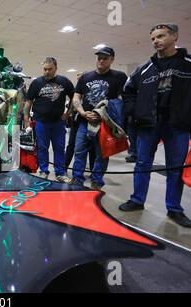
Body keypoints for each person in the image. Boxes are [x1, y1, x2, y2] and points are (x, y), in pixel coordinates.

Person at [120, 23, 191, 228]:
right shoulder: (144, 68)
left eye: (160, 36)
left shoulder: (187, 63)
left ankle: (174, 209)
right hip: (149, 123)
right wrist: (134, 111)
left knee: (175, 167)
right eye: (153, 38)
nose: (156, 41)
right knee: (142, 163)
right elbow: (128, 91)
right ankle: (137, 200)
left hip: (178, 124)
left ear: (174, 36)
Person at [71, 47, 128, 190]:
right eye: (99, 58)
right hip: (85, 121)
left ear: (112, 60)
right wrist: (83, 112)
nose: (101, 60)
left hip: (105, 123)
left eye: (105, 58)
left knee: (102, 154)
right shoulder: (85, 77)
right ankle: (77, 179)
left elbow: (123, 99)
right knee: (79, 151)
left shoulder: (119, 76)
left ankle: (97, 180)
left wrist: (111, 115)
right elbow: (77, 96)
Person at [24, 57, 74, 183]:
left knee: (59, 147)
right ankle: (44, 171)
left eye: (50, 69)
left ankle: (60, 173)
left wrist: (68, 114)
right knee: (42, 147)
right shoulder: (36, 83)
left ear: (55, 68)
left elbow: (75, 98)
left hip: (58, 122)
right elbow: (28, 102)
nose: (47, 72)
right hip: (40, 121)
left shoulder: (64, 81)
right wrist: (26, 120)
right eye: (45, 69)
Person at [65, 72, 96, 174]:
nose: (79, 80)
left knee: (92, 147)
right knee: (72, 145)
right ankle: (64, 167)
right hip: (76, 121)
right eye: (78, 79)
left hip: (89, 121)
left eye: (81, 78)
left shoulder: (91, 92)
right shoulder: (75, 92)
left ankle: (92, 170)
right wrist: (68, 114)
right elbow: (72, 104)